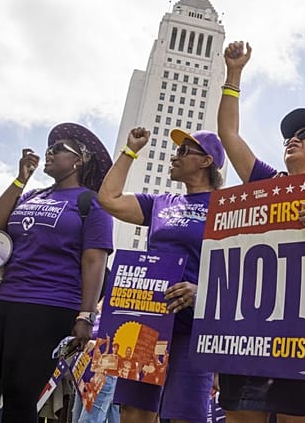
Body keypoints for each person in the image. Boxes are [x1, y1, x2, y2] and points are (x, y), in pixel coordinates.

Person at [216, 41, 305, 423]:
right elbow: (229, 135)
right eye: (288, 136)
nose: (292, 138)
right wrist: (233, 75)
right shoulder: (266, 183)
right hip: (247, 330)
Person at [0, 123, 114, 422]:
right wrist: (20, 179)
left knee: (20, 394)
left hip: (51, 305)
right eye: (49, 148)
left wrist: (85, 315)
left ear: (79, 160)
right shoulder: (32, 196)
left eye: (58, 149)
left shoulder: (91, 203)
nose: (49, 153)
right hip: (5, 299)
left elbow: (94, 261)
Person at [98, 127, 226, 423]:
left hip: (193, 328)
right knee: (134, 412)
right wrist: (131, 150)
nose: (174, 156)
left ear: (206, 161)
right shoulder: (159, 203)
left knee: (185, 415)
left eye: (183, 151)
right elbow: (109, 198)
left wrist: (200, 291)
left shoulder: (225, 209)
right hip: (145, 323)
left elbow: (236, 269)